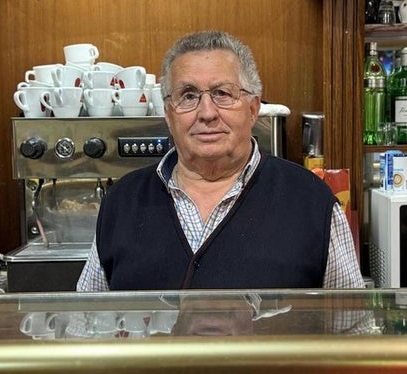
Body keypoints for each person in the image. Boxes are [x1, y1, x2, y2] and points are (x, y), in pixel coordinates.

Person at [77, 30, 363, 293]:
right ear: (168, 114)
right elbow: (84, 326)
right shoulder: (122, 201)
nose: (207, 113)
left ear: (252, 110)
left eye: (222, 94)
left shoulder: (313, 202)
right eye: (188, 96)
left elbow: (351, 331)